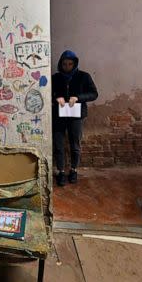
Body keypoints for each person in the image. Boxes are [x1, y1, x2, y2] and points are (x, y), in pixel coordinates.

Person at [52, 50, 98, 186]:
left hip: (76, 115)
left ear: (75, 63)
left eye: (70, 64)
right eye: (64, 64)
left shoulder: (84, 76)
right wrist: (56, 98)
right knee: (58, 145)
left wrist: (78, 98)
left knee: (75, 145)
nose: (67, 67)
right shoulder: (55, 77)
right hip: (58, 115)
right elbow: (48, 93)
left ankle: (73, 170)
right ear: (61, 64)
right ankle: (60, 171)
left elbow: (94, 94)